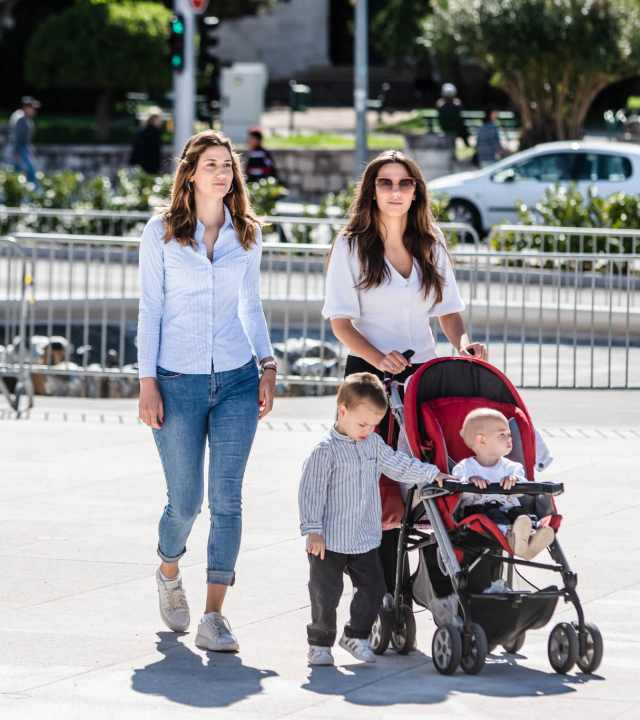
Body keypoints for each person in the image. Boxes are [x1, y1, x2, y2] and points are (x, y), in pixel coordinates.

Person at [137, 130, 278, 653]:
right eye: (211, 164)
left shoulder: (247, 233)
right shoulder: (162, 232)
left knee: (227, 500)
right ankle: (168, 569)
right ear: (191, 173)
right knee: (186, 502)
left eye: (228, 165)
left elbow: (252, 307)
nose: (222, 173)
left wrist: (267, 363)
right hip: (176, 382)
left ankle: (214, 616)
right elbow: (150, 310)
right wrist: (147, 381)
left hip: (239, 380)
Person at [322, 149, 487, 595]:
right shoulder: (351, 245)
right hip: (369, 379)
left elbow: (449, 311)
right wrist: (380, 359)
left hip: (422, 376)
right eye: (386, 183)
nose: (396, 191)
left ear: (416, 192)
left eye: (405, 183)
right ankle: (379, 589)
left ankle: (428, 578)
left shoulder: (430, 240)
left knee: (424, 473)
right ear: (371, 191)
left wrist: (461, 345)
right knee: (375, 484)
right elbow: (341, 323)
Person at [298, 373, 454, 666]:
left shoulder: (373, 444)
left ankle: (356, 635)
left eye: (374, 425)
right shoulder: (325, 450)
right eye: (362, 423)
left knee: (374, 588)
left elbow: (398, 465)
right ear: (342, 410)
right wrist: (313, 530)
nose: (368, 430)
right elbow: (310, 492)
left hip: (363, 537)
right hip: (328, 539)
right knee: (325, 591)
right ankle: (319, 643)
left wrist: (432, 474)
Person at [450, 408, 555, 560]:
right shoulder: (465, 467)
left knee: (525, 516)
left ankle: (531, 536)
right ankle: (513, 538)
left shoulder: (512, 467)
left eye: (509, 434)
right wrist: (471, 480)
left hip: (511, 511)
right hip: (480, 514)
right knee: (494, 515)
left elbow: (523, 489)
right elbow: (457, 489)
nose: (509, 438)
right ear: (481, 440)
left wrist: (515, 481)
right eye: (502, 434)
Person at [9, 96, 41, 190]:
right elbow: (16, 136)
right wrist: (16, 151)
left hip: (23, 148)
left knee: (17, 171)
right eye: (32, 108)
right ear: (26, 107)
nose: (34, 110)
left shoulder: (25, 117)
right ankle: (34, 191)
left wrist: (32, 150)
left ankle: (16, 190)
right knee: (31, 170)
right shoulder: (20, 118)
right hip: (21, 149)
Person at [130, 107, 163, 175]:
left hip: (140, 163)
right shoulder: (153, 132)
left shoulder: (142, 130)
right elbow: (155, 152)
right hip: (150, 165)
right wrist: (158, 167)